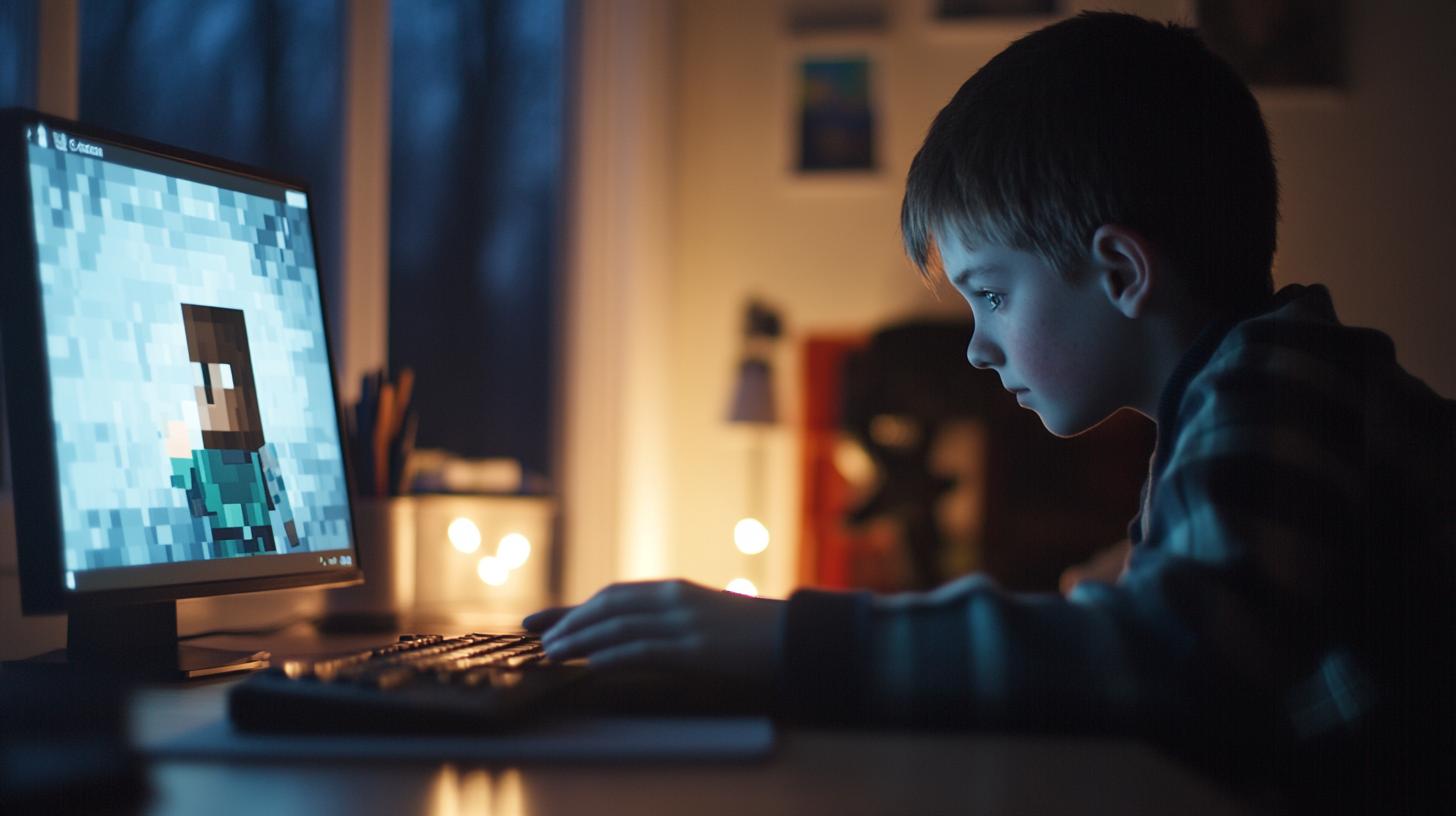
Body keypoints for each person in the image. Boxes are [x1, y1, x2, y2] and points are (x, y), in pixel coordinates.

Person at [525, 11, 1454, 810]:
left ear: (1123, 271)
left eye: (992, 294)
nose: (976, 345)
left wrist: (787, 641)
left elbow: (1183, 662)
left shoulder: (1279, 380)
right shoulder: (1237, 386)